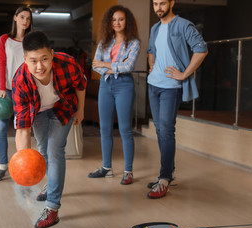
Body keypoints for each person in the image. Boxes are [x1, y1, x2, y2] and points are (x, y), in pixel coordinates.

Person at [12, 31, 86, 228]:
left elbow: (80, 85)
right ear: (25, 59)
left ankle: (52, 207)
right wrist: (23, 161)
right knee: (42, 151)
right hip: (38, 112)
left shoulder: (67, 64)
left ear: (52, 54)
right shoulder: (20, 81)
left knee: (55, 151)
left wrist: (81, 110)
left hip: (63, 108)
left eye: (44, 59)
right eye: (33, 60)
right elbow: (22, 128)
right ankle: (51, 184)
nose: (40, 66)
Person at [146, 0, 208, 199]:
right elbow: (150, 51)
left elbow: (201, 49)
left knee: (166, 130)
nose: (158, 8)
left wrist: (184, 75)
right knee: (160, 130)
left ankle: (164, 179)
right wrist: (152, 65)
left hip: (170, 88)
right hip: (153, 85)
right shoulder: (155, 28)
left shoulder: (183, 25)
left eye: (162, 3)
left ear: (171, 2)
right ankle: (168, 172)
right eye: (155, 3)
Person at [88, 5, 140, 185]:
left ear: (127, 22)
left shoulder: (133, 43)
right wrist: (112, 66)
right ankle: (106, 168)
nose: (117, 23)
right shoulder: (104, 42)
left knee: (125, 129)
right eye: (114, 19)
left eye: (121, 19)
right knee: (104, 129)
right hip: (105, 85)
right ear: (110, 22)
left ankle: (128, 171)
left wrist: (107, 64)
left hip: (124, 86)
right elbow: (95, 65)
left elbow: (129, 67)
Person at [0, 6, 33, 182]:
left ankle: (22, 167)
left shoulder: (30, 41)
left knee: (23, 130)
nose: (25, 21)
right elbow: (1, 64)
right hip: (7, 90)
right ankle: (2, 166)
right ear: (15, 18)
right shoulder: (4, 40)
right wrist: (1, 87)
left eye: (28, 19)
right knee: (1, 129)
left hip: (24, 91)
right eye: (22, 17)